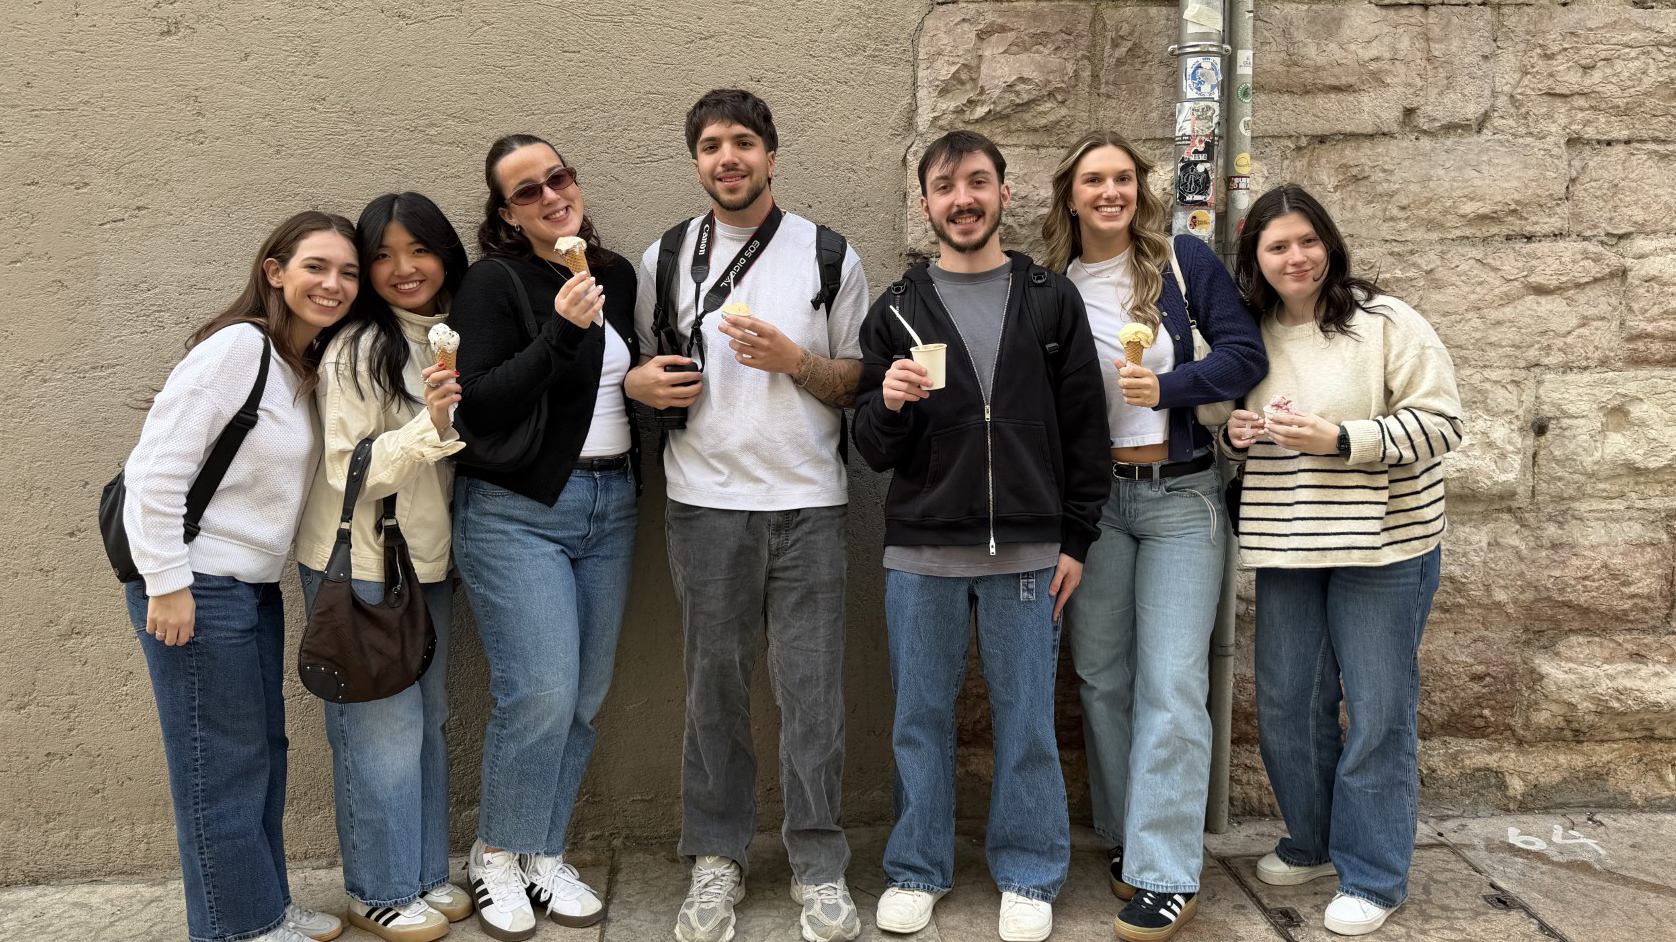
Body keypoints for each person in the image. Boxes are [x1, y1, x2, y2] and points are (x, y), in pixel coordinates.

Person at [624, 89, 870, 942]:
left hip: (808, 505)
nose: (726, 158)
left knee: (813, 698)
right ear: (695, 160)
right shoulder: (663, 257)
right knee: (713, 694)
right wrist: (639, 385)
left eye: (743, 143)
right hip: (703, 505)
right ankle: (717, 860)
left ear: (772, 153)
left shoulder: (828, 254)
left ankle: (819, 863)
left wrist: (795, 360)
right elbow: (640, 375)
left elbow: (858, 381)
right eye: (710, 146)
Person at [853, 130, 1109, 942]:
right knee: (918, 718)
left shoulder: (1047, 297)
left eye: (976, 183)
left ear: (1002, 193)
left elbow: (1083, 429)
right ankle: (916, 869)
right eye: (944, 186)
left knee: (1027, 718)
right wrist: (887, 403)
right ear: (925, 203)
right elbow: (870, 447)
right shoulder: (895, 308)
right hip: (922, 549)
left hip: (1031, 551)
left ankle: (1030, 873)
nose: (961, 199)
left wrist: (1077, 541)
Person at [1042, 131, 1266, 942]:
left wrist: (1168, 385)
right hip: (1096, 506)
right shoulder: (1053, 284)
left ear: (1140, 188)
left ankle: (1169, 873)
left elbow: (1244, 355)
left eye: (1124, 178)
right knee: (1101, 676)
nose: (1112, 192)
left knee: (1172, 681)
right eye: (1094, 180)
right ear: (1070, 194)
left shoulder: (1181, 263)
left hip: (1181, 500)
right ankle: (1130, 839)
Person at [1225, 184, 1464, 937]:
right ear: (1256, 260)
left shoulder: (1388, 323)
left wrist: (1340, 440)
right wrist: (1234, 432)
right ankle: (1315, 841)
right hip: (1289, 545)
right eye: (1277, 246)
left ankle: (1374, 874)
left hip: (1386, 547)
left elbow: (1441, 424)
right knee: (1288, 705)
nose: (1295, 257)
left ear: (1328, 243)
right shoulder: (1250, 333)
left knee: (1377, 713)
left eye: (1307, 241)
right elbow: (1216, 422)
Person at [121, 211, 362, 942]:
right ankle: (235, 928)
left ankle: (263, 904)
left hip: (248, 590)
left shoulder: (297, 366)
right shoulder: (236, 350)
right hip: (196, 586)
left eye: (348, 272)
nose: (334, 284)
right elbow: (154, 474)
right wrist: (166, 582)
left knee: (260, 755)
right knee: (215, 765)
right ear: (275, 272)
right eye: (317, 266)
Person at [448, 134, 641, 941]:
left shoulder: (617, 274)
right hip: (517, 511)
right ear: (507, 214)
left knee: (583, 699)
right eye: (528, 192)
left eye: (559, 177)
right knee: (539, 694)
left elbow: (620, 376)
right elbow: (478, 404)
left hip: (614, 503)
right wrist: (560, 332)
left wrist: (645, 381)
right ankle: (493, 852)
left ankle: (541, 850)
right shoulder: (493, 283)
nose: (552, 195)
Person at [293, 192, 472, 942]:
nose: (404, 269)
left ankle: (425, 872)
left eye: (419, 251)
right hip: (366, 563)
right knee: (380, 735)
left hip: (425, 565)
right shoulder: (360, 347)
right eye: (385, 256)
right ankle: (379, 888)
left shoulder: (444, 334)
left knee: (425, 724)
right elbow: (350, 471)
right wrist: (431, 427)